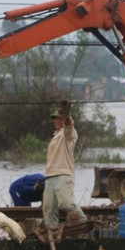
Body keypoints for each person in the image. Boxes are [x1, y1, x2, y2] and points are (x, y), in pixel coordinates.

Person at [43, 101, 87, 238]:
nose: (56, 120)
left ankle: (85, 223)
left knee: (66, 203)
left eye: (59, 118)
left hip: (63, 174)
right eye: (55, 118)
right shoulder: (55, 136)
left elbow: (69, 126)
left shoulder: (69, 134)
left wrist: (67, 116)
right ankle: (53, 234)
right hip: (50, 176)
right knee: (48, 209)